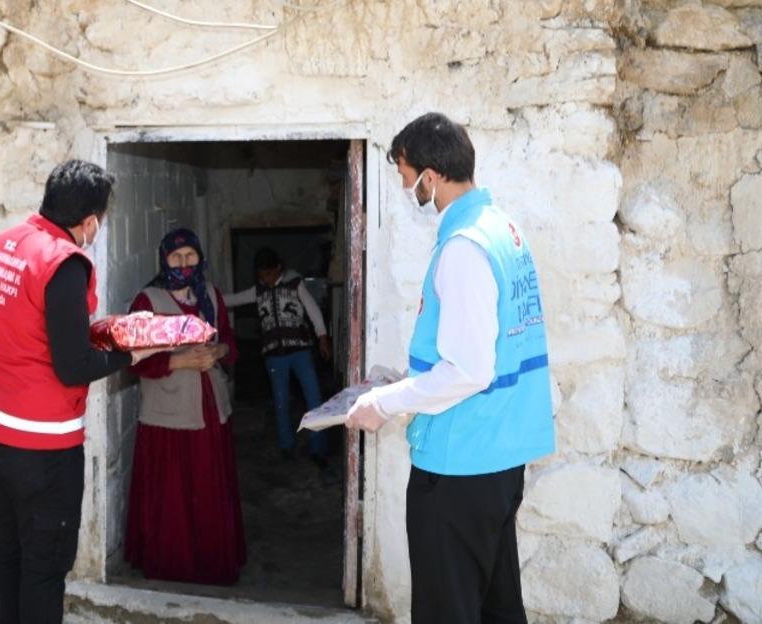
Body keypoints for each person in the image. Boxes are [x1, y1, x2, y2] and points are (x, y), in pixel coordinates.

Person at [344, 113, 555, 624]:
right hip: (499, 456)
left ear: (431, 177)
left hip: (459, 462)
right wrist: (408, 382)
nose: (403, 187)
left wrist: (383, 404)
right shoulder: (502, 229)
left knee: (448, 609)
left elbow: (468, 370)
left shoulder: (464, 248)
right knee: (497, 604)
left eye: (404, 175)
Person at [0, 159, 160, 624]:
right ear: (90, 221)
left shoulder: (1, 246)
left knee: (10, 544)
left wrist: (103, 330)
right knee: (45, 564)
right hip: (42, 446)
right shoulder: (65, 263)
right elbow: (73, 366)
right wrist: (131, 355)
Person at [123, 228, 247, 585]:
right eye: (176, 257)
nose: (183, 264)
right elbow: (133, 359)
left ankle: (211, 564)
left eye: (190, 256)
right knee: (174, 495)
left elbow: (229, 340)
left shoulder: (209, 295)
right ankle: (173, 566)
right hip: (169, 416)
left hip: (210, 411)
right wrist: (180, 362)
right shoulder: (148, 302)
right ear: (164, 259)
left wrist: (219, 352)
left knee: (208, 489)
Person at [222, 247, 334, 474]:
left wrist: (322, 336)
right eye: (262, 276)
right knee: (281, 401)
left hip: (301, 352)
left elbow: (313, 311)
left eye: (270, 274)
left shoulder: (295, 284)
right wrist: (206, 297)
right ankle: (286, 447)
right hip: (274, 357)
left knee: (313, 398)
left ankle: (318, 448)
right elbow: (231, 300)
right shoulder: (258, 291)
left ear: (279, 269)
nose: (267, 279)